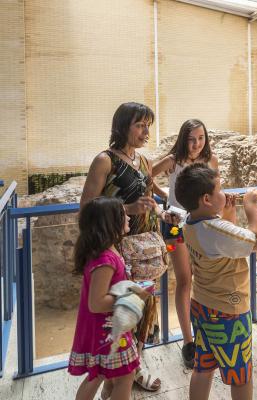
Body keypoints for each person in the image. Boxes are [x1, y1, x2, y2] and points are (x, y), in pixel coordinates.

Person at [80, 102, 178, 392]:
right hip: (117, 252)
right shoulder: (105, 160)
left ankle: (131, 370)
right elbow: (87, 208)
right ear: (123, 126)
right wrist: (128, 208)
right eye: (140, 125)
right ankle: (117, 378)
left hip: (145, 252)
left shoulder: (144, 162)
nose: (146, 131)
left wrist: (162, 214)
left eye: (148, 125)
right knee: (120, 317)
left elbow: (148, 202)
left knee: (143, 313)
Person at [175, 164, 257, 400]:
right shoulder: (214, 230)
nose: (224, 193)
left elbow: (223, 242)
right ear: (206, 198)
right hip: (229, 313)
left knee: (203, 367)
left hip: (202, 307)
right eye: (220, 189)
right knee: (241, 374)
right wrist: (251, 207)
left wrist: (227, 214)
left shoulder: (190, 222)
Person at [152, 119, 219, 368]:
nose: (197, 144)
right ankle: (189, 342)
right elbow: (146, 177)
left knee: (205, 277)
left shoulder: (210, 161)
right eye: (192, 139)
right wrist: (164, 196)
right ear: (183, 139)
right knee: (184, 279)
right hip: (173, 225)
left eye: (201, 138)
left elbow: (215, 191)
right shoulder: (173, 160)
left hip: (202, 224)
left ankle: (206, 333)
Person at [68, 197, 149, 400]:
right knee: (125, 376)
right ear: (110, 223)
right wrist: (131, 296)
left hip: (108, 328)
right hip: (108, 330)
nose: (128, 217)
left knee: (98, 375)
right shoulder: (105, 259)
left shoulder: (107, 251)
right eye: (123, 214)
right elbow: (96, 304)